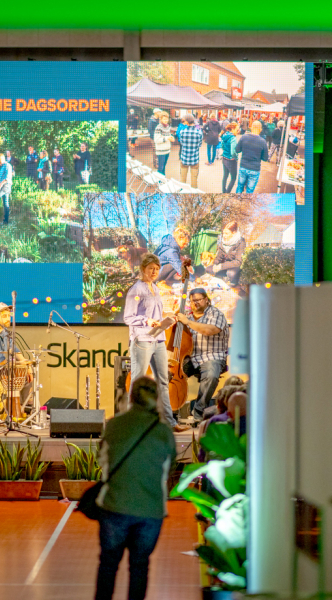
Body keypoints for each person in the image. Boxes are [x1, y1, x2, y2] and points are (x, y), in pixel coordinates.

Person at [94, 376, 178, 600]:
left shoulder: (114, 424)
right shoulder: (163, 431)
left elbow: (101, 458)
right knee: (140, 566)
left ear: (131, 397)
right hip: (150, 509)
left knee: (108, 564)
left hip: (114, 505)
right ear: (157, 398)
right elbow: (170, 467)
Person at [122, 254, 177, 427]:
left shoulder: (156, 288)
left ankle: (169, 422)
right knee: (138, 380)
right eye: (151, 268)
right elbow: (128, 317)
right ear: (143, 269)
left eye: (157, 269)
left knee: (163, 381)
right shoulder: (136, 290)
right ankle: (133, 422)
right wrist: (146, 321)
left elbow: (156, 315)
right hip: (142, 339)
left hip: (158, 338)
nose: (154, 272)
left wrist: (167, 318)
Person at [175, 288, 230, 423]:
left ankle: (198, 412)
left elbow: (209, 330)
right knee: (168, 374)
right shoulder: (186, 316)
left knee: (211, 375)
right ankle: (172, 411)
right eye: (192, 301)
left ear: (206, 299)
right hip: (190, 358)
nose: (195, 303)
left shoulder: (216, 314)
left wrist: (188, 323)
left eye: (198, 300)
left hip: (212, 356)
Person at [235, 120, 269, 194]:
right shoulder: (263, 141)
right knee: (249, 191)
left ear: (251, 127)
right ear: (260, 129)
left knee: (240, 187)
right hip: (255, 169)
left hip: (243, 166)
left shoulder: (244, 137)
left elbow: (237, 150)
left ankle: (237, 200)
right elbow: (265, 158)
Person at [208, 221, 245, 286]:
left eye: (226, 233)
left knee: (231, 273)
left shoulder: (241, 242)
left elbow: (238, 262)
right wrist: (214, 265)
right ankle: (219, 283)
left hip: (234, 266)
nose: (224, 236)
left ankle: (233, 285)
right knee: (208, 269)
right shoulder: (223, 242)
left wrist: (221, 266)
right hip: (224, 265)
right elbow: (218, 258)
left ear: (234, 232)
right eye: (223, 233)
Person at [176, 113, 203, 189]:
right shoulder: (199, 132)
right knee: (194, 179)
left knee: (182, 178)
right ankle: (194, 191)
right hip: (194, 158)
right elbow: (199, 145)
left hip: (184, 158)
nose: (183, 122)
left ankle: (182, 191)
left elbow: (181, 143)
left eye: (184, 121)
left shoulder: (182, 132)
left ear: (187, 122)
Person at [220, 121, 238, 193]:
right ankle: (227, 192)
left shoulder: (225, 135)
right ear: (233, 129)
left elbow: (222, 146)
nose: (238, 131)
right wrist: (236, 158)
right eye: (237, 129)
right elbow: (233, 152)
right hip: (231, 160)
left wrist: (225, 152)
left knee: (225, 176)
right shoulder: (233, 138)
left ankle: (223, 191)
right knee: (233, 178)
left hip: (224, 158)